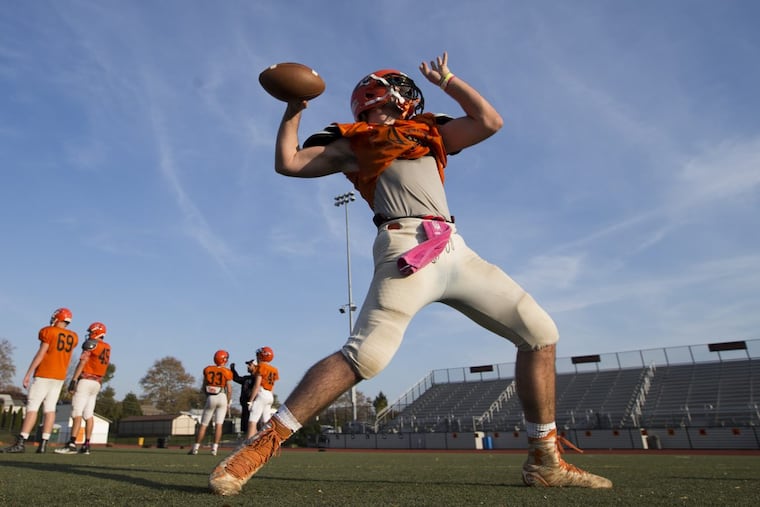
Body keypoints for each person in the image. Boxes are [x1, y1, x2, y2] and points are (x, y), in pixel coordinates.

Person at [209, 52, 612, 495]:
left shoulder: (428, 130)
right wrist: (294, 110)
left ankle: (545, 460)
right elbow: (287, 162)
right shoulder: (354, 141)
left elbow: (489, 121)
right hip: (405, 247)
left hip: (454, 247)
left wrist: (450, 80)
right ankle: (259, 447)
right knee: (366, 356)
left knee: (540, 333)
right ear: (396, 94)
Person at [1, 308, 79, 454]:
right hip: (59, 377)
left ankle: (21, 442)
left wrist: (28, 373)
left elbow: (41, 353)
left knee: (33, 408)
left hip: (44, 373)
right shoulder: (73, 336)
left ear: (57, 318)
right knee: (50, 410)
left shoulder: (49, 331)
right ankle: (43, 443)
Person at [55, 322, 111, 455]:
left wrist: (74, 379)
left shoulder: (92, 344)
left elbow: (83, 361)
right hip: (97, 383)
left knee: (77, 413)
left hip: (85, 380)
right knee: (88, 414)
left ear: (96, 332)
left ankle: (72, 444)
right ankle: (86, 445)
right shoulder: (107, 347)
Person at [189, 350, 233, 456]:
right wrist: (228, 402)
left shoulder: (208, 369)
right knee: (219, 425)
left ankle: (195, 448)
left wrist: (208, 396)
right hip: (222, 396)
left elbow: (204, 386)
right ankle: (214, 449)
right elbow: (229, 390)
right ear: (225, 359)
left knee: (203, 424)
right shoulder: (227, 372)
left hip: (211, 397)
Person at [245, 347, 279, 439]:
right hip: (269, 396)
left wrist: (251, 401)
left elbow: (257, 385)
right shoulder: (274, 369)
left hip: (262, 393)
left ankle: (247, 447)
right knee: (265, 423)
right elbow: (272, 387)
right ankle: (265, 444)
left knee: (252, 421)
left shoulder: (261, 366)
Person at [230, 358, 257, 436]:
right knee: (245, 425)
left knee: (252, 423)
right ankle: (247, 441)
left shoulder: (258, 378)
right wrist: (233, 369)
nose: (248, 366)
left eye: (250, 365)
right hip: (245, 405)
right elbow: (236, 378)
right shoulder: (246, 378)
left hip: (252, 405)